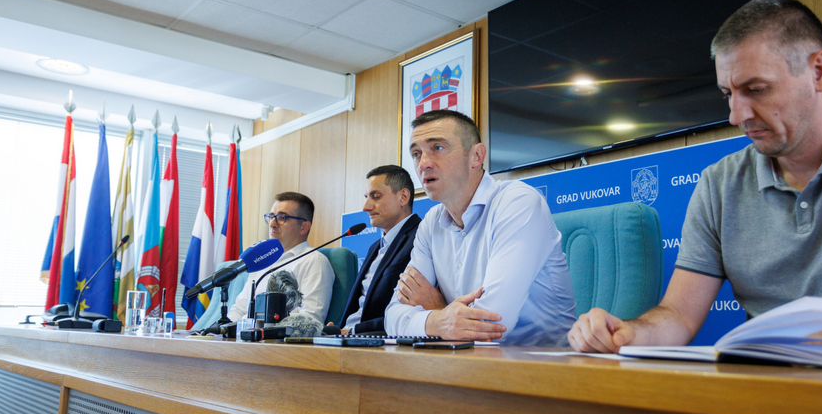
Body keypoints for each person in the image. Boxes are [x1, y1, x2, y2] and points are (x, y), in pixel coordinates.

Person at [568, 0, 822, 363]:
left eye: (757, 89)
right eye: (728, 94)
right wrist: (629, 334)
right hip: (765, 393)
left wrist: (769, 345)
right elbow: (677, 315)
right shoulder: (718, 183)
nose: (737, 115)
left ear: (819, 71)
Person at [385, 109, 576, 345]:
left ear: (476, 156)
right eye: (416, 154)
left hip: (544, 361)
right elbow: (392, 316)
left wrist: (438, 313)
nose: (423, 163)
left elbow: (492, 323)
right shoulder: (431, 223)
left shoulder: (517, 203)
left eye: (438, 148)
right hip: (465, 360)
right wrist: (441, 320)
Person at [228, 192, 334, 325]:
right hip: (244, 334)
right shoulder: (262, 260)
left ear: (303, 227)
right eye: (271, 217)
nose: (272, 224)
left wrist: (251, 325)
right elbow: (239, 310)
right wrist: (222, 330)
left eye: (282, 217)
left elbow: (309, 319)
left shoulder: (314, 261)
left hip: (275, 337)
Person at [339, 165, 421, 334]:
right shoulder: (375, 247)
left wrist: (354, 331)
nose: (366, 207)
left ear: (403, 197)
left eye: (376, 197)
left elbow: (413, 312)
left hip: (376, 340)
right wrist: (337, 330)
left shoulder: (421, 238)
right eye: (366, 197)